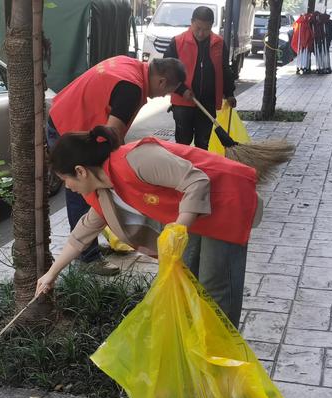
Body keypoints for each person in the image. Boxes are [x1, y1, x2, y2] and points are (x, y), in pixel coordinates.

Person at [36, 126, 263, 329]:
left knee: (216, 287)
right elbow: (81, 235)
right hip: (195, 213)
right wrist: (51, 275)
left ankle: (221, 355)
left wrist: (178, 229)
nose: (67, 187)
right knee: (190, 279)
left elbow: (197, 181)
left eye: (66, 180)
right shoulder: (103, 192)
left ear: (81, 171)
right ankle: (198, 343)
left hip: (226, 201)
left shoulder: (136, 159)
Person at [47, 55, 186, 275]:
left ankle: (88, 243)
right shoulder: (131, 88)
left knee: (93, 185)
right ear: (161, 81)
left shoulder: (128, 64)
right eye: (167, 91)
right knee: (82, 188)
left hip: (64, 113)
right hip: (69, 125)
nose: (164, 96)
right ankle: (87, 257)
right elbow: (111, 138)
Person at [163, 6, 237, 150]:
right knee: (183, 143)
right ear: (191, 22)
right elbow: (166, 71)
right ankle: (182, 170)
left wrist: (229, 93)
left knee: (202, 144)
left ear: (211, 26)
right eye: (198, 28)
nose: (201, 33)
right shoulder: (178, 42)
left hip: (207, 103)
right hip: (182, 103)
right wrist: (181, 89)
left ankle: (199, 171)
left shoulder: (219, 44)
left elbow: (225, 70)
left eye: (206, 29)